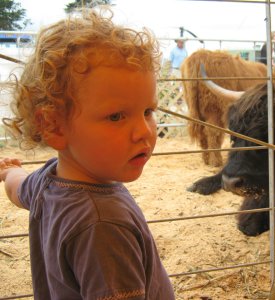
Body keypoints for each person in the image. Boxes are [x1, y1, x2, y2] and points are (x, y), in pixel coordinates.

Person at [0, 7, 175, 300]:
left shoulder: (48, 180)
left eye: (148, 111)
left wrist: (8, 172)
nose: (144, 131)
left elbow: (18, 188)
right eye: (117, 116)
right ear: (53, 126)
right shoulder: (103, 225)